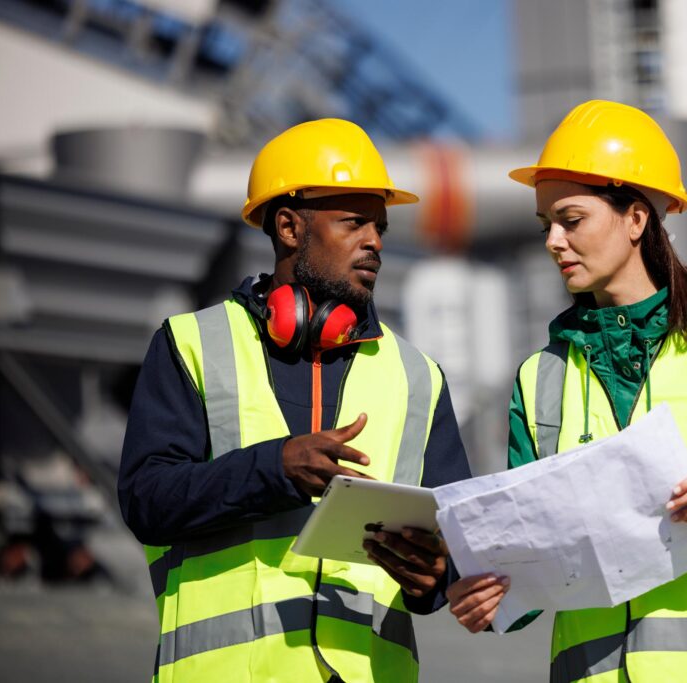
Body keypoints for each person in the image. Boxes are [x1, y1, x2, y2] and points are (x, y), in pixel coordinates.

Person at [446, 100, 687, 682]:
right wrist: (488, 594)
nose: (553, 240)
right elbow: (530, 564)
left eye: (571, 220)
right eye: (545, 224)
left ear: (635, 219)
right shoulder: (540, 378)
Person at [119, 119, 470, 682]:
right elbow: (146, 501)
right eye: (354, 222)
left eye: (379, 226)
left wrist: (436, 576)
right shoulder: (192, 345)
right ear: (288, 226)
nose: (375, 241)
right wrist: (273, 468)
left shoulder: (418, 378)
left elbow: (456, 545)